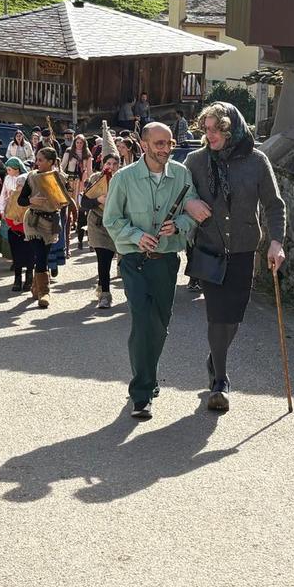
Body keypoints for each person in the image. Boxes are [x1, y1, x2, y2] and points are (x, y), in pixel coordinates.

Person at [184, 101, 286, 413]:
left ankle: (215, 358)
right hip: (209, 248)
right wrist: (191, 204)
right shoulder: (195, 161)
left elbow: (274, 204)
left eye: (216, 129)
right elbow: (182, 194)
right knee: (217, 315)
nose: (210, 135)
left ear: (232, 129)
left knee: (234, 317)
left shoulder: (257, 161)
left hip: (243, 250)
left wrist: (276, 243)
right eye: (206, 129)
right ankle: (220, 381)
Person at [103, 123, 198, 420]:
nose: (165, 148)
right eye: (158, 143)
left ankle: (149, 378)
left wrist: (179, 225)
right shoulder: (124, 178)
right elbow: (112, 219)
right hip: (134, 260)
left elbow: (190, 214)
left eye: (168, 143)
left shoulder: (181, 174)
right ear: (143, 144)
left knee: (159, 324)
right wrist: (135, 235)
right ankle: (141, 394)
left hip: (167, 260)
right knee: (143, 321)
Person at [17, 147, 71, 308]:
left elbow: (64, 201)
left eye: (41, 160)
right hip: (33, 221)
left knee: (43, 257)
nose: (37, 162)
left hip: (50, 222)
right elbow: (21, 200)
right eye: (37, 159)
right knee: (40, 255)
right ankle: (44, 292)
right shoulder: (31, 177)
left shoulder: (60, 177)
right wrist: (32, 200)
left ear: (51, 162)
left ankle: (36, 286)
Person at [81, 153, 119, 308]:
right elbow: (84, 202)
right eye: (108, 163)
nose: (111, 166)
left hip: (117, 225)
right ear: (103, 164)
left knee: (115, 260)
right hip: (98, 224)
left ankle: (102, 284)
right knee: (104, 259)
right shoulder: (95, 179)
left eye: (114, 163)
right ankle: (105, 295)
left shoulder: (123, 178)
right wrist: (98, 200)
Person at [0, 157, 33, 293]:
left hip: (28, 231)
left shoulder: (30, 199)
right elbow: (9, 211)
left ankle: (29, 278)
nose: (18, 188)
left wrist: (24, 221)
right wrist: (10, 219)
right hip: (14, 230)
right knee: (17, 257)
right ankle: (17, 279)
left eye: (21, 186)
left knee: (29, 257)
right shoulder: (12, 195)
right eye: (18, 185)